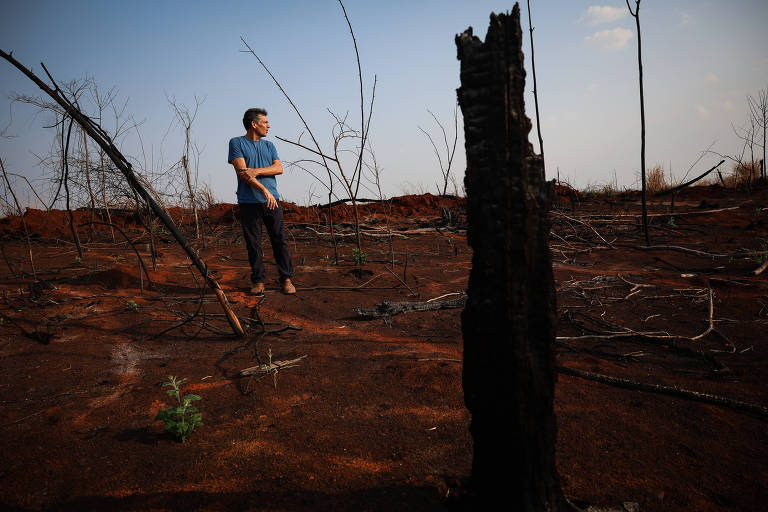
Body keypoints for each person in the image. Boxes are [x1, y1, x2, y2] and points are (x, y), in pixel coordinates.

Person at [228, 108, 295, 295]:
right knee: (253, 243)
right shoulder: (236, 143)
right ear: (253, 124)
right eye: (265, 122)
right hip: (249, 202)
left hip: (273, 201)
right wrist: (265, 190)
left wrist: (256, 171)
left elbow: (279, 168)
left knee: (279, 240)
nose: (269, 125)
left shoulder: (269, 146)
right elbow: (243, 174)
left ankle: (286, 279)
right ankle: (258, 281)